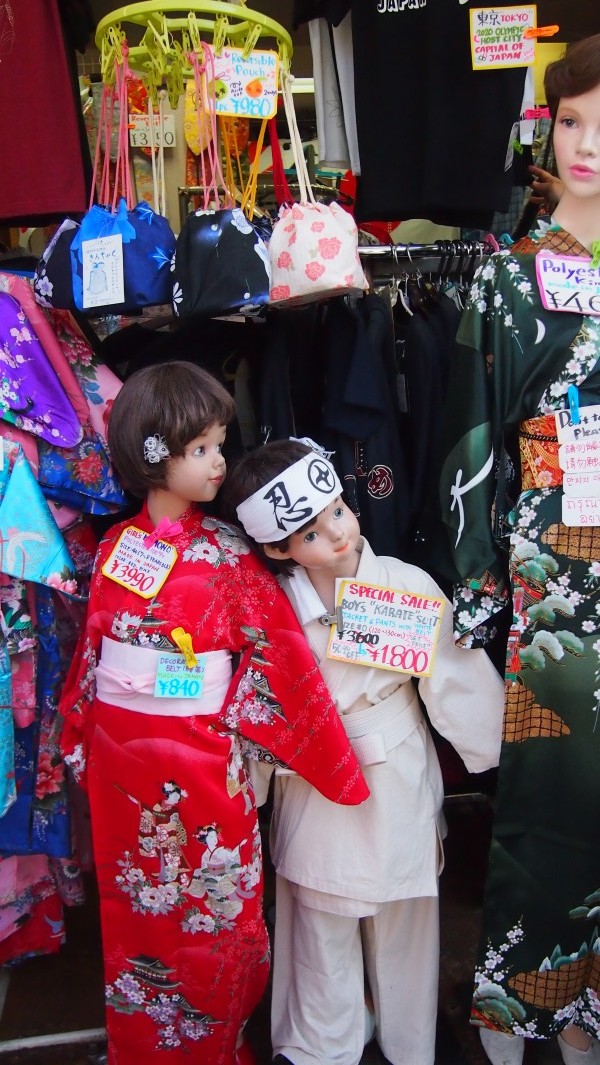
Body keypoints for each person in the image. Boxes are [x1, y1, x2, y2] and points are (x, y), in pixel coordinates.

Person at [57, 362, 369, 1065]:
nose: (218, 461)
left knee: (223, 924)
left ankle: (215, 1046)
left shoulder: (229, 553)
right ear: (151, 455)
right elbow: (92, 656)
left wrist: (328, 762)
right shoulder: (116, 546)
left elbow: (280, 659)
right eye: (199, 448)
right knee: (135, 922)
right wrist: (75, 736)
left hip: (203, 774)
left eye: (218, 442)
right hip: (124, 781)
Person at [222, 438, 505, 1065]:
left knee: (406, 917)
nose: (338, 533)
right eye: (313, 532)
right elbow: (259, 707)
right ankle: (322, 1045)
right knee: (319, 920)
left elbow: (453, 677)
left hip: (396, 771)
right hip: (317, 778)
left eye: (339, 512)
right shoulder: (273, 610)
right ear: (279, 549)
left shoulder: (404, 584)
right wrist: (249, 788)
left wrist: (491, 756)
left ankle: (410, 1043)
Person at [429, 34, 600, 1065]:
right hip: (561, 568)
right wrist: (479, 595)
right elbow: (472, 442)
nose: (584, 145)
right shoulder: (512, 278)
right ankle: (531, 1008)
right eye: (572, 120)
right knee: (554, 802)